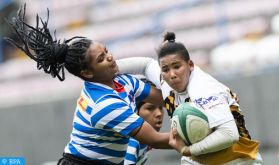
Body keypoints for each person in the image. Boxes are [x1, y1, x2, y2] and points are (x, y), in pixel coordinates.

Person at [5, 5, 173, 165]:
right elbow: (155, 140)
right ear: (87, 73)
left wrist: (168, 66)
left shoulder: (122, 81)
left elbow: (165, 97)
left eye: (106, 51)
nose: (110, 57)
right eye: (101, 59)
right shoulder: (104, 104)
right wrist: (193, 136)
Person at [116, 32, 263, 164]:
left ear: (190, 65)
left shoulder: (203, 89)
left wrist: (188, 150)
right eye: (165, 69)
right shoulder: (166, 79)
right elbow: (146, 65)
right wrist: (110, 69)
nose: (172, 74)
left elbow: (229, 134)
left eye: (177, 66)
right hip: (200, 159)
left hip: (236, 159)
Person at [124, 79, 164, 165]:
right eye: (150, 108)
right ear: (135, 111)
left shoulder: (147, 140)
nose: (159, 113)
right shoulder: (131, 144)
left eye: (161, 107)